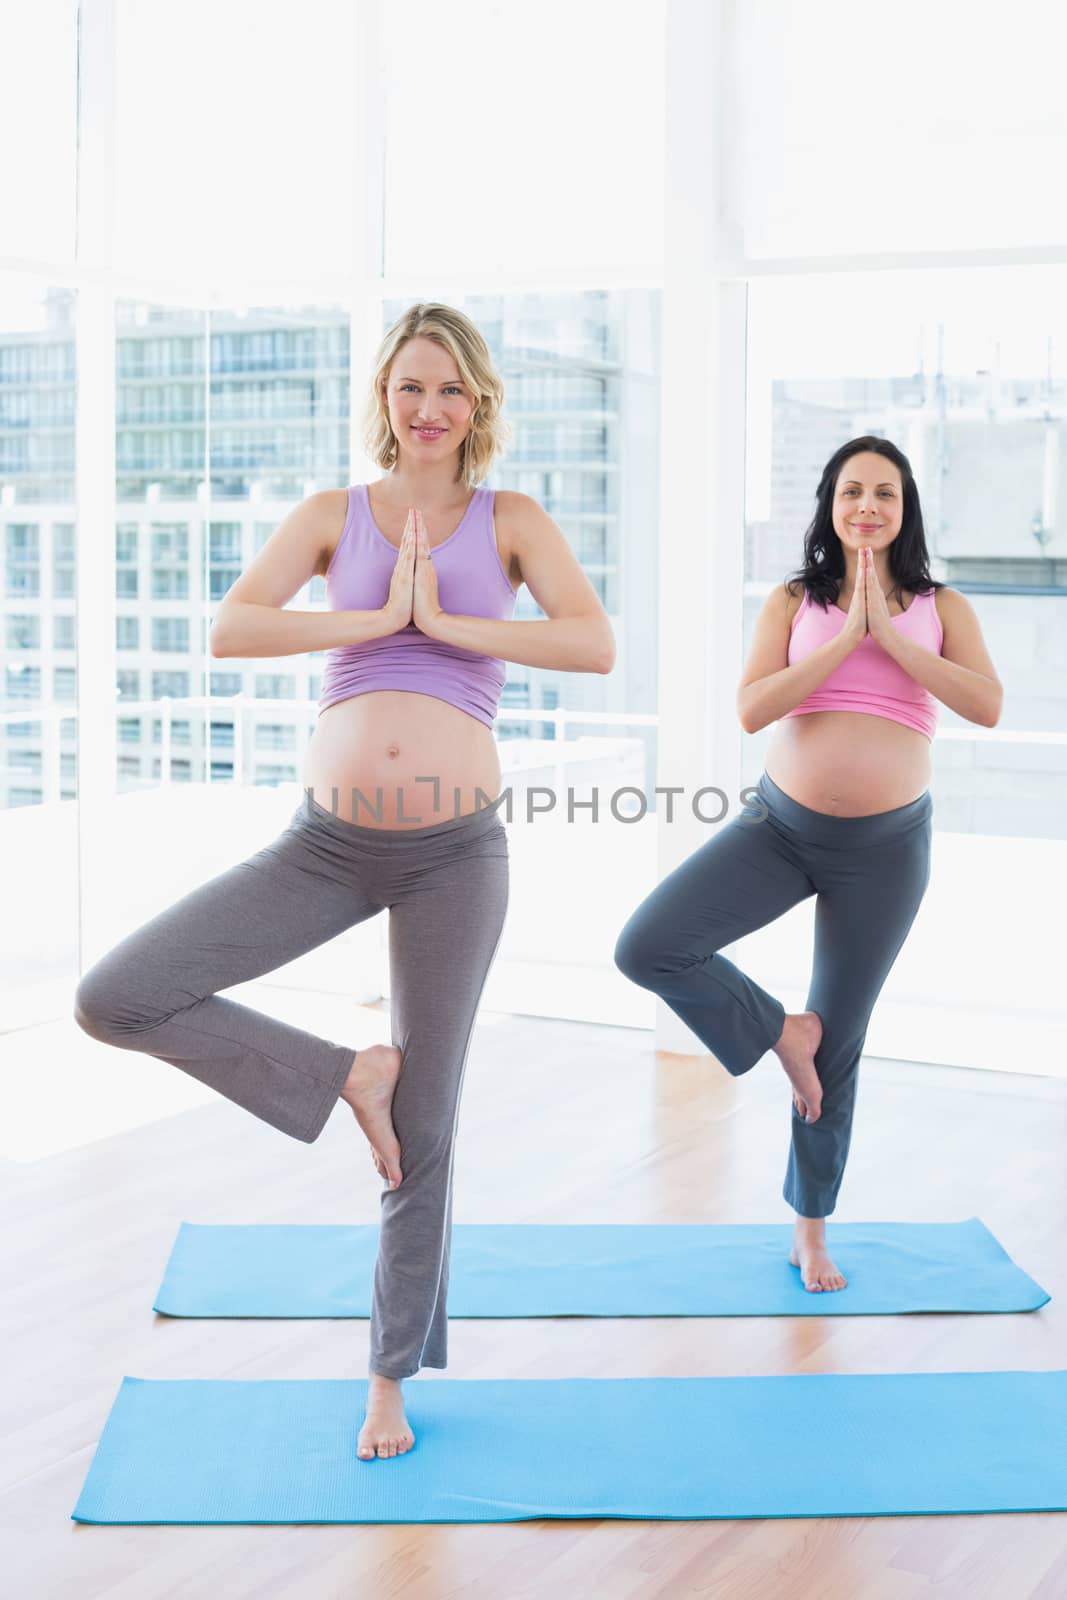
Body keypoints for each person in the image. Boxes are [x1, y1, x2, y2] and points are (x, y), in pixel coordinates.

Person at [73, 302, 615, 1460]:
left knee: (428, 1123)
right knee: (116, 994)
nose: (429, 409)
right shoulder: (334, 516)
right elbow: (234, 627)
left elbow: (591, 643)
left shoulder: (509, 519)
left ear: (479, 405)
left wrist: (454, 629)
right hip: (322, 842)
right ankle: (341, 1074)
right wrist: (380, 613)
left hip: (454, 855)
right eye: (411, 387)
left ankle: (387, 1374)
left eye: (451, 391)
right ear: (383, 396)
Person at [614, 435, 1002, 1294]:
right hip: (778, 830)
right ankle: (778, 1032)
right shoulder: (793, 600)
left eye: (884, 494)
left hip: (887, 849)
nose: (867, 506)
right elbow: (753, 707)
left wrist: (891, 637)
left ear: (905, 510)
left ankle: (809, 1228)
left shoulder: (941, 604)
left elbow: (985, 705)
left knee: (842, 1043)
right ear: (829, 504)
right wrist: (844, 636)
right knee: (648, 946)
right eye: (851, 491)